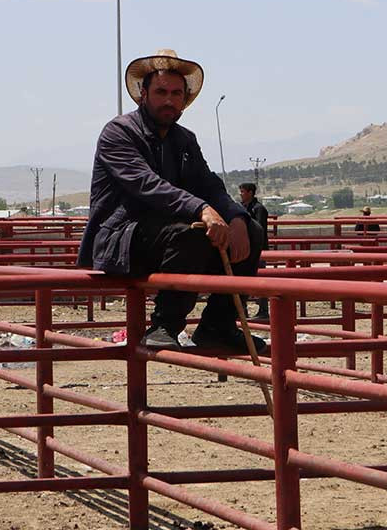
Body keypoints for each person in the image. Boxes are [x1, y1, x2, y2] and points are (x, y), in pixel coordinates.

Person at [78, 49, 266, 352]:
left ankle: (218, 325)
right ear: (143, 93)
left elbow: (209, 184)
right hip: (124, 238)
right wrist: (202, 209)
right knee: (189, 233)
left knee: (252, 232)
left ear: (185, 98)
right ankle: (164, 325)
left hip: (167, 239)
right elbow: (146, 184)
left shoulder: (184, 140)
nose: (169, 100)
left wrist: (236, 217)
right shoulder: (119, 133)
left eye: (176, 93)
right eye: (161, 92)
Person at [239, 182, 271, 319]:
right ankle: (243, 310)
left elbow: (259, 229)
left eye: (242, 192)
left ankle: (263, 310)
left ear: (250, 192)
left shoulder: (259, 209)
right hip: (246, 248)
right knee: (243, 279)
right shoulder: (243, 208)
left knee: (260, 279)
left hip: (257, 249)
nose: (240, 194)